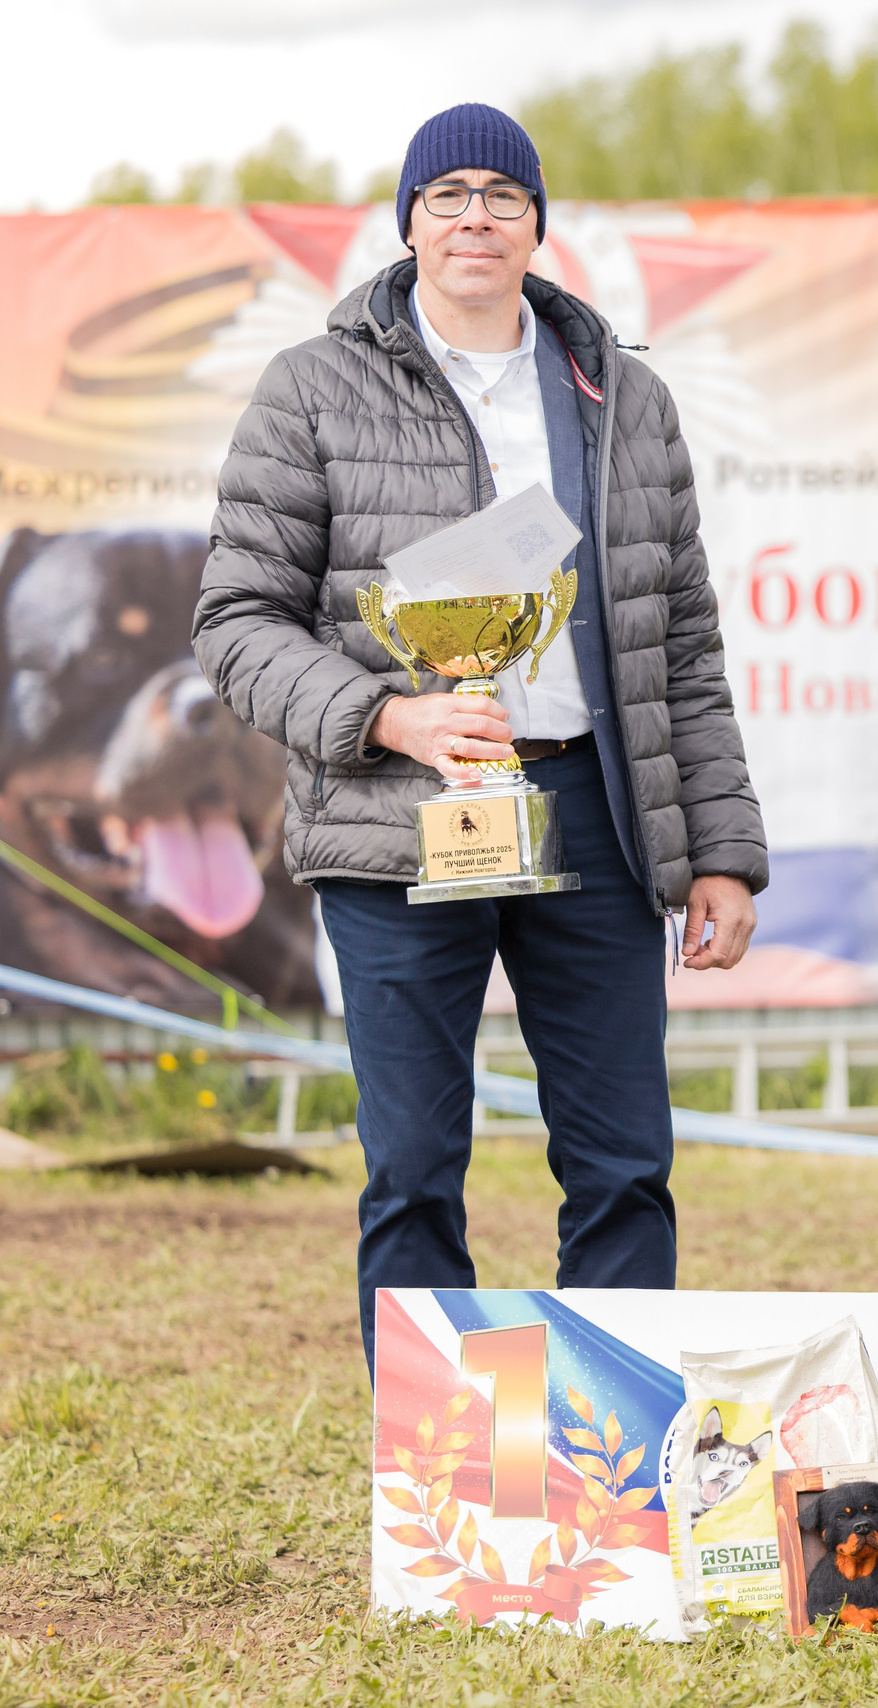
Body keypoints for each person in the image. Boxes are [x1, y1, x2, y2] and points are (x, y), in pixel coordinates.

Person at [194, 104, 766, 1374]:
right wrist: (388, 715)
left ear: (537, 225)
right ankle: (448, 1468)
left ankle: (607, 1448)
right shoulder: (312, 387)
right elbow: (235, 622)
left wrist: (722, 849)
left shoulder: (623, 395)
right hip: (395, 821)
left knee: (624, 1162)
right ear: (408, 221)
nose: (475, 217)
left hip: (594, 817)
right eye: (446, 194)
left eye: (503, 196)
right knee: (411, 1166)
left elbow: (678, 641)